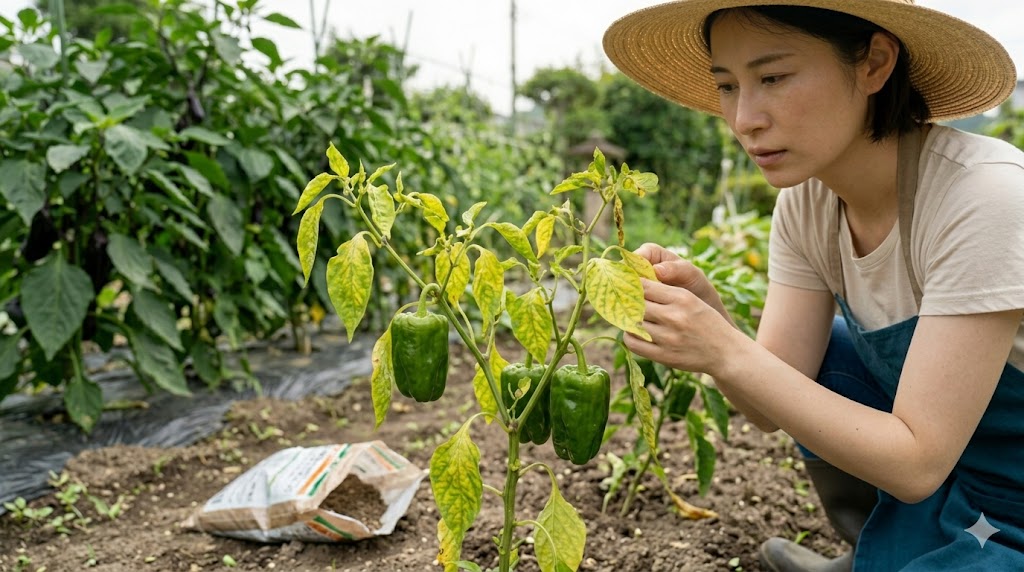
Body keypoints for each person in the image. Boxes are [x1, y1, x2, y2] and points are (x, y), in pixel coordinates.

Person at [603, 1, 1024, 571]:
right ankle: (875, 548)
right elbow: (773, 400)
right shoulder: (806, 204)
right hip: (955, 466)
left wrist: (725, 349)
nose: (744, 118)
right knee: (829, 358)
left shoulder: (984, 199)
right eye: (727, 86)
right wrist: (714, 319)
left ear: (874, 63)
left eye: (773, 77)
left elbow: (916, 463)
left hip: (1005, 486)